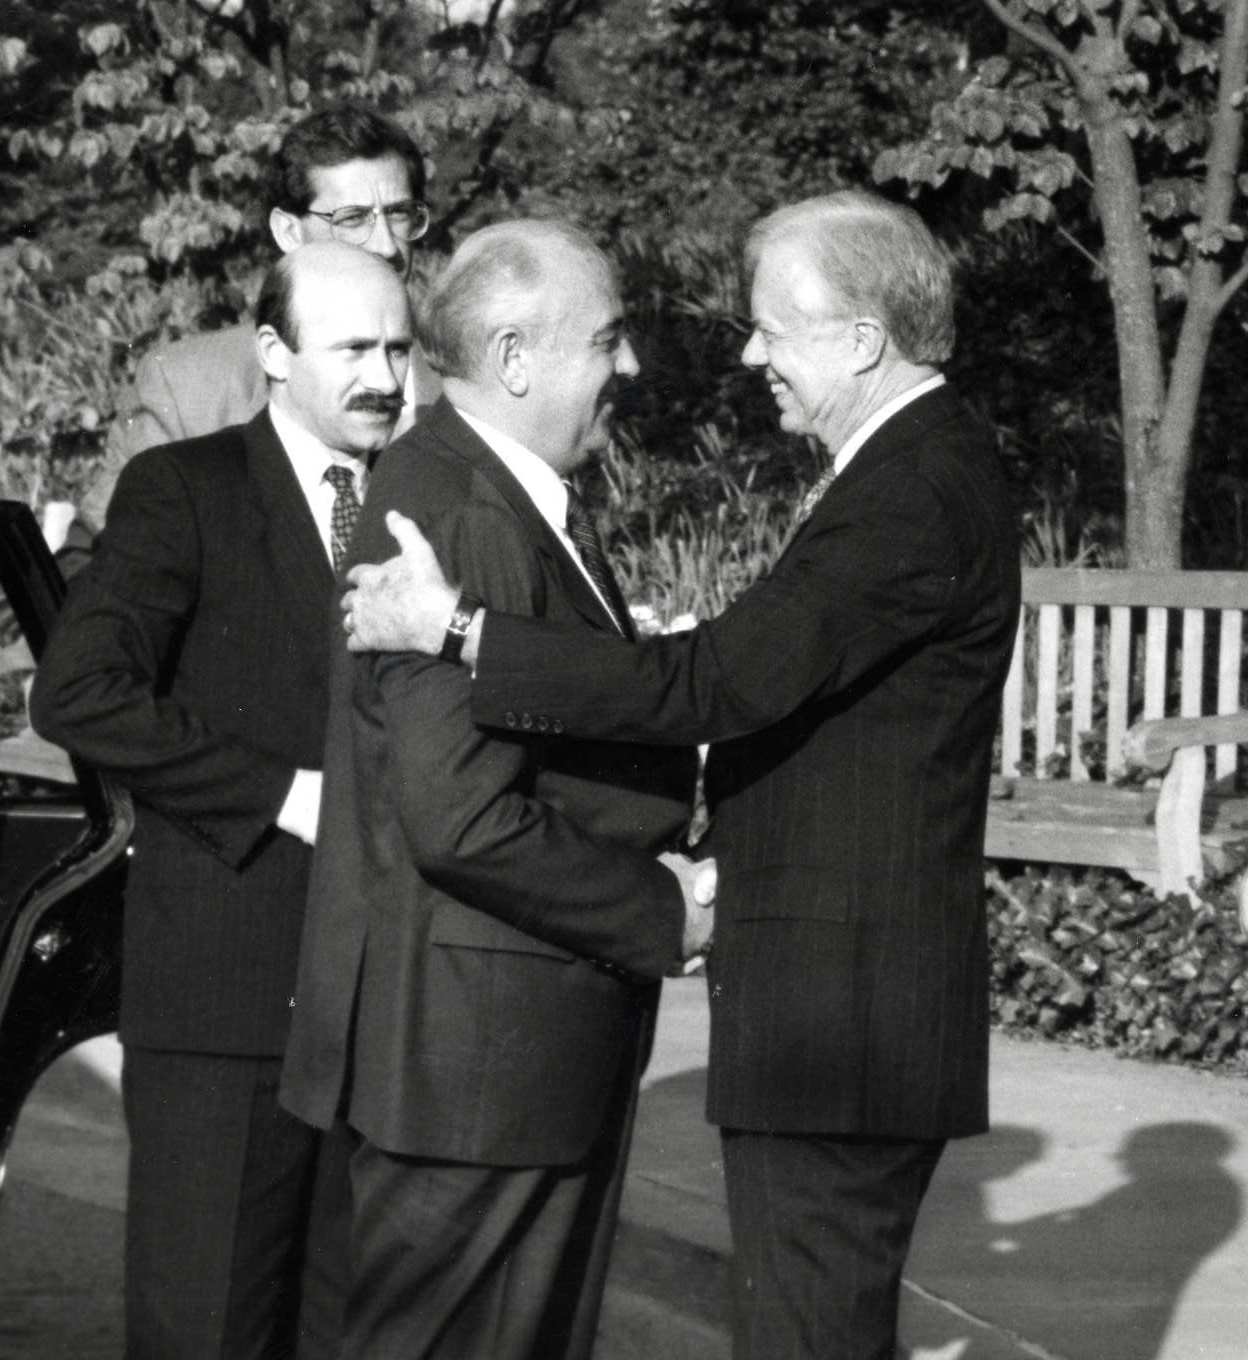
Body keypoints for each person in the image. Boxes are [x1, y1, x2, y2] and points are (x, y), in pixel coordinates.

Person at [337, 189, 1022, 1360]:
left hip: (841, 1020)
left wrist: (464, 635)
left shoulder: (908, 486)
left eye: (769, 328)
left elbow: (716, 684)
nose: (747, 354)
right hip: (838, 1014)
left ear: (861, 341)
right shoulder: (914, 466)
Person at [279, 218, 715, 1360]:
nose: (630, 368)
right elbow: (458, 814)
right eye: (610, 340)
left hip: (497, 1054)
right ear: (517, 359)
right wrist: (665, 906)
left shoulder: (489, 489)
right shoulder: (466, 508)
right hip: (480, 1064)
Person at [30, 241, 413, 1360]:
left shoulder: (422, 501)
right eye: (352, 348)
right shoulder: (186, 490)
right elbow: (81, 693)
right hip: (224, 1007)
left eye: (397, 346)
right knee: (208, 1329)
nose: (382, 374)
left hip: (380, 1012)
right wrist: (283, 795)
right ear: (274, 354)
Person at [77, 101, 439, 535]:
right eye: (353, 218)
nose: (385, 245)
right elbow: (101, 558)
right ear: (288, 232)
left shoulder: (466, 378)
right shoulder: (189, 390)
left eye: (399, 214)